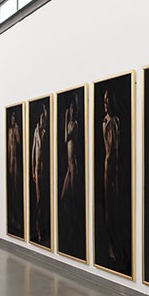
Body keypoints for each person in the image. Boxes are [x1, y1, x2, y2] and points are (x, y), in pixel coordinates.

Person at [102, 89, 121, 262]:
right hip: (108, 168)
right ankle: (110, 246)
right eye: (104, 101)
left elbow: (117, 149)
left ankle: (114, 244)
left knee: (115, 208)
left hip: (114, 169)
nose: (106, 104)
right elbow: (110, 148)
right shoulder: (107, 122)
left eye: (108, 100)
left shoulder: (115, 121)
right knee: (110, 208)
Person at [60, 95, 79, 234]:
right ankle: (70, 226)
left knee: (73, 199)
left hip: (74, 165)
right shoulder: (69, 123)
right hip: (69, 166)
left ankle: (74, 227)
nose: (71, 110)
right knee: (63, 198)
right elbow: (65, 138)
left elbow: (67, 137)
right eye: (70, 108)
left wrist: (67, 117)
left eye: (73, 108)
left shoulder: (74, 124)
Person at [31, 104, 48, 243]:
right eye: (42, 117)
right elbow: (33, 151)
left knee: (43, 201)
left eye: (45, 118)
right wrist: (33, 169)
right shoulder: (37, 131)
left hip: (44, 170)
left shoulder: (46, 133)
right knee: (38, 201)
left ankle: (43, 229)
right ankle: (38, 230)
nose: (43, 120)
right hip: (37, 170)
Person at [7, 110, 22, 231]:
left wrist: (17, 131)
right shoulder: (9, 131)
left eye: (14, 118)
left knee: (16, 189)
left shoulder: (15, 130)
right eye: (12, 118)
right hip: (10, 162)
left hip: (15, 161)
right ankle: (13, 217)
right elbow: (8, 148)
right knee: (11, 190)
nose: (13, 120)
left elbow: (18, 142)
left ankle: (18, 216)